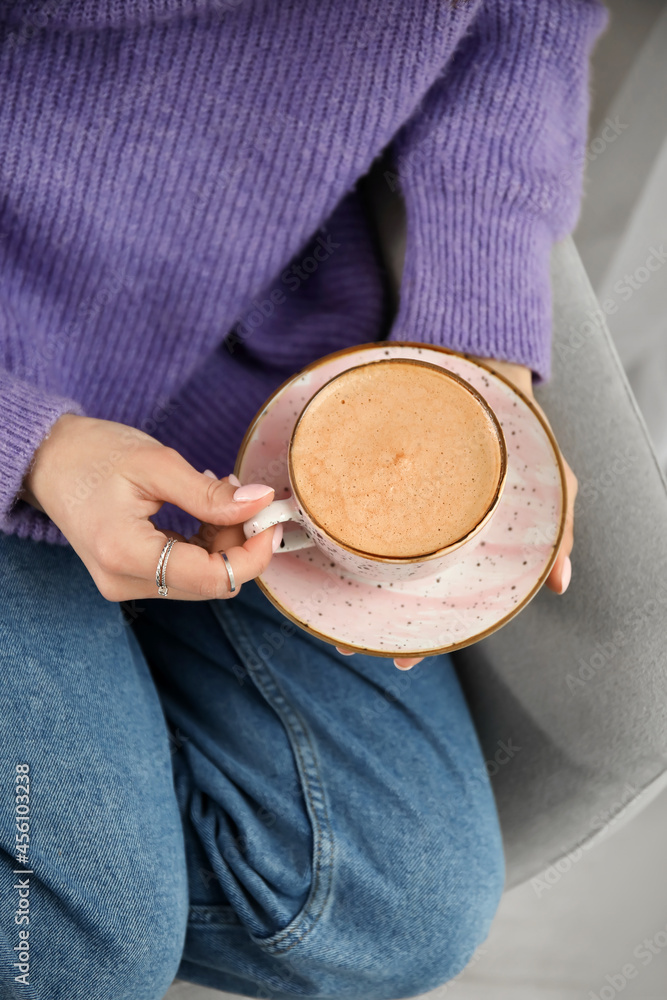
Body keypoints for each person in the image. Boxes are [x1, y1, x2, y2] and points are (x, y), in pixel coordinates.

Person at [0, 1, 606, 998]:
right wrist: (28, 445)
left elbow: (528, 20)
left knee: (398, 904)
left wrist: (474, 340)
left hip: (257, 345)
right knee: (81, 948)